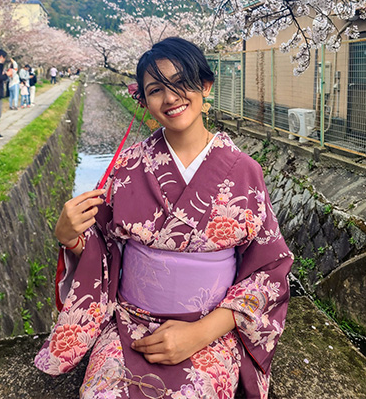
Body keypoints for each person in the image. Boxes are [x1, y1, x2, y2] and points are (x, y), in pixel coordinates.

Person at [36, 37, 292, 399]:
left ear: (205, 86)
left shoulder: (245, 172)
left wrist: (200, 333)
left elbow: (269, 269)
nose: (171, 98)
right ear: (143, 101)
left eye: (181, 83)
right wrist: (70, 236)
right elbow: (104, 251)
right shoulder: (126, 167)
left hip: (208, 331)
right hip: (130, 324)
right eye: (156, 90)